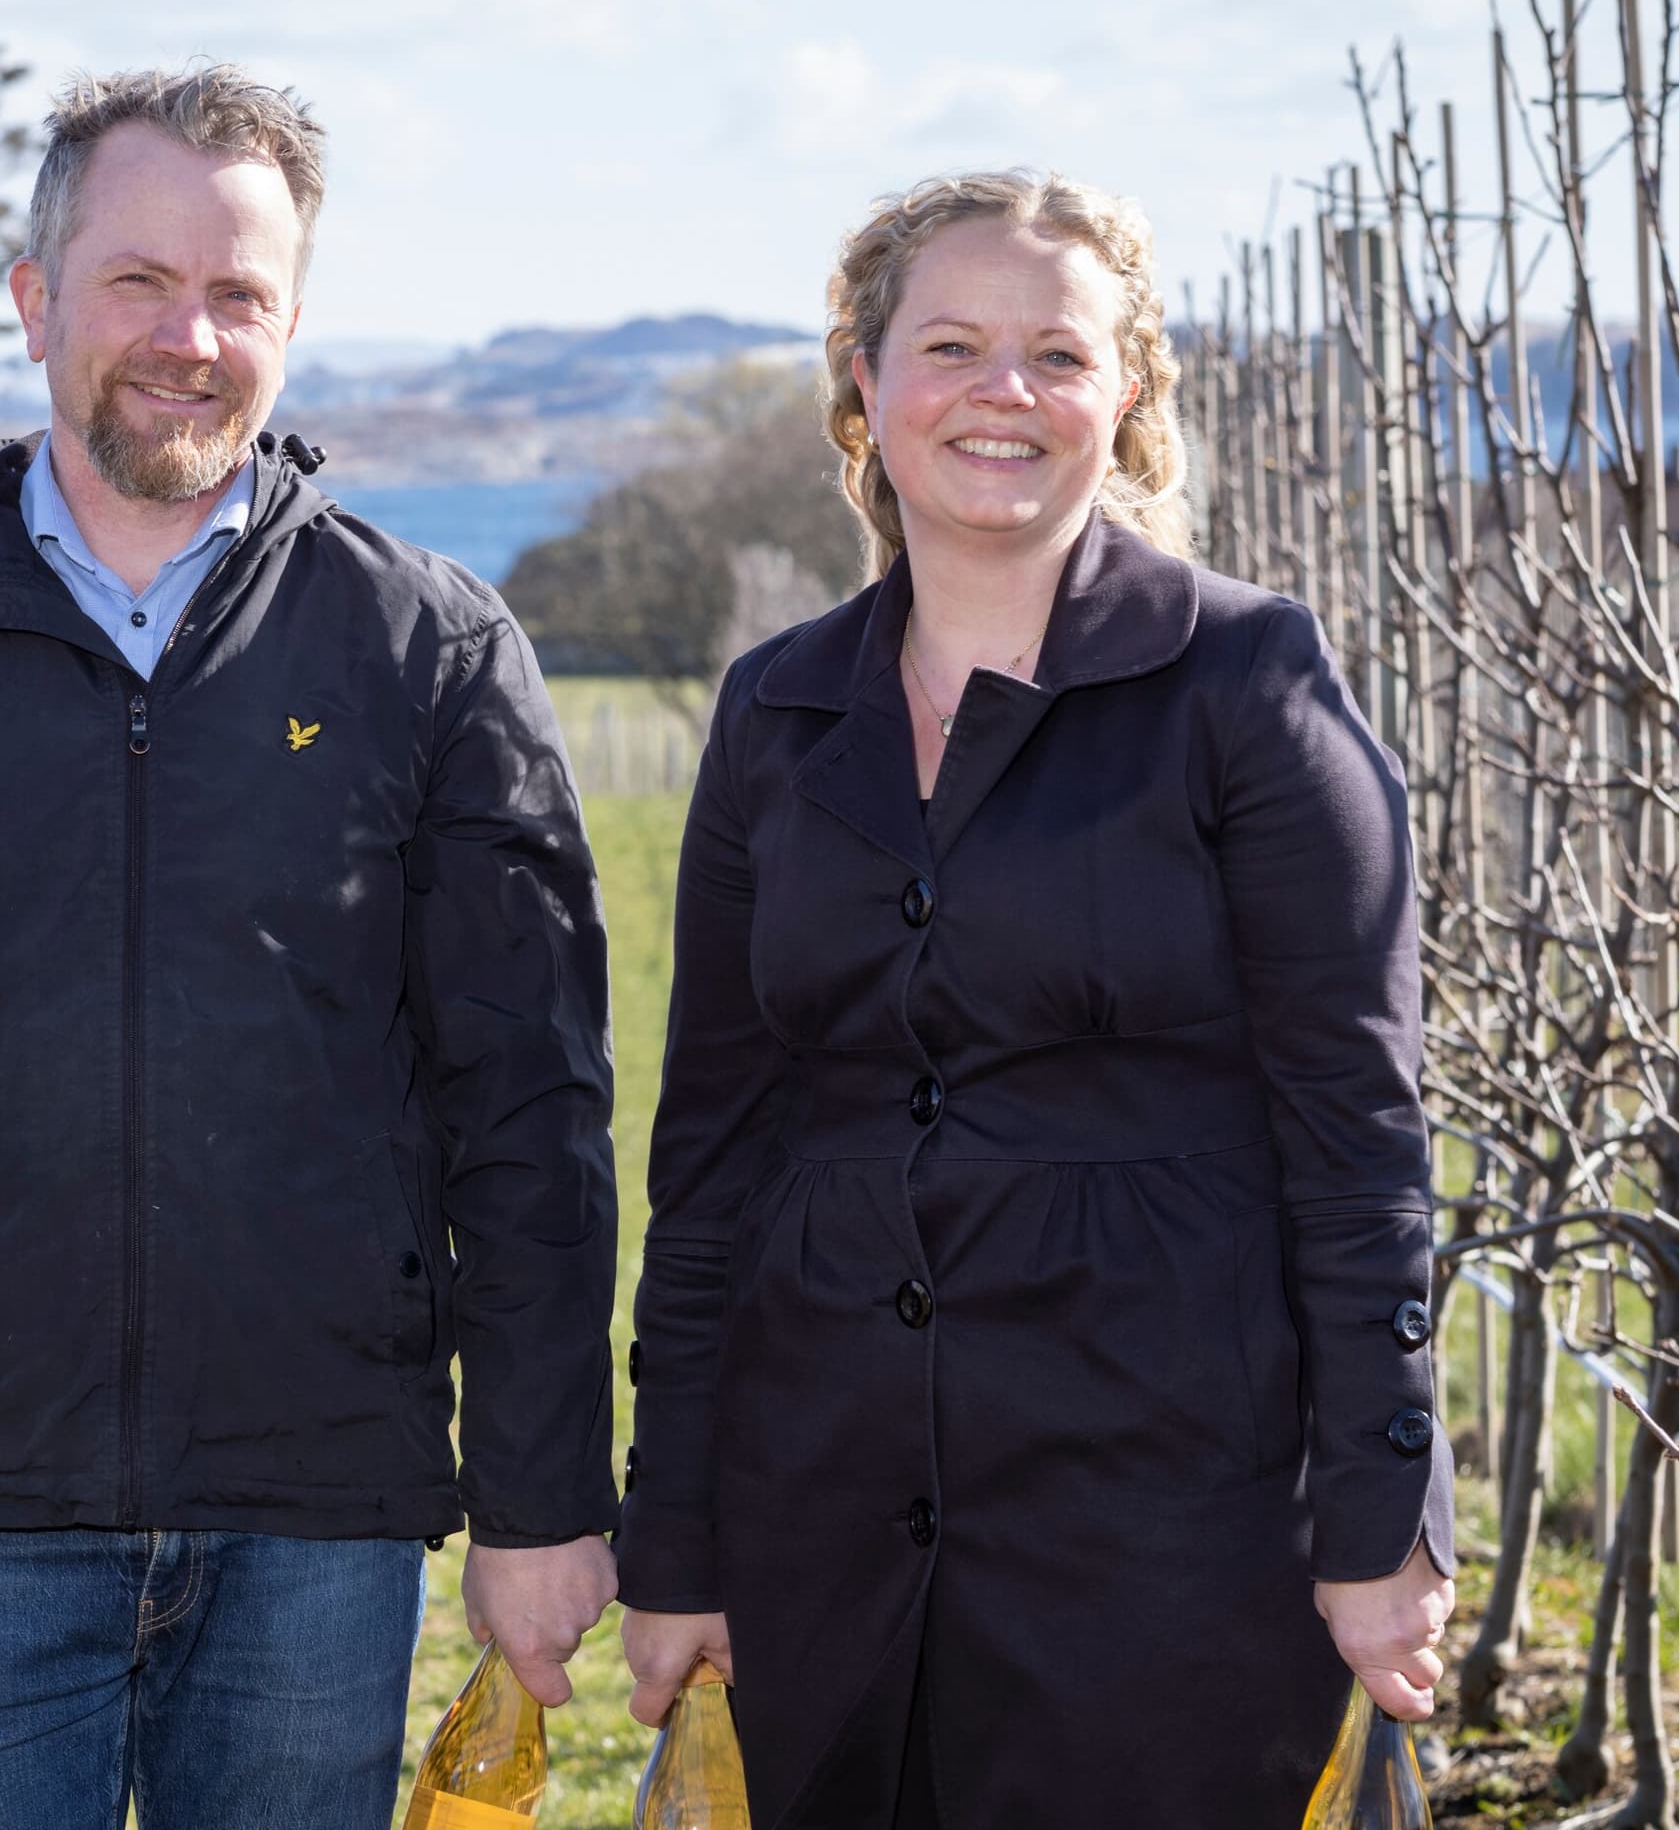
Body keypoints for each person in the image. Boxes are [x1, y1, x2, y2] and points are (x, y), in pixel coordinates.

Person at [0, 65, 623, 1830]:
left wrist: (542, 1498)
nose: (191, 335)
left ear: (292, 326)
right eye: (140, 282)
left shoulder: (429, 652)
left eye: (239, 293)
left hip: (317, 1513)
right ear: (35, 303)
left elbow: (527, 1113)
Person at [614, 170, 1455, 1826]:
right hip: (824, 1521)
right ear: (864, 382)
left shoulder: (1249, 687)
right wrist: (680, 1536)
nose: (1004, 394)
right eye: (950, 345)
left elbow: (1360, 1141)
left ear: (1125, 392)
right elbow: (710, 1160)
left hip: (1171, 1530)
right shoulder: (775, 714)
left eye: (1057, 356)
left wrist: (1381, 1522)